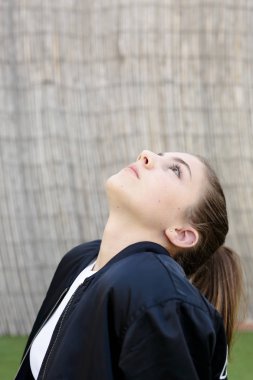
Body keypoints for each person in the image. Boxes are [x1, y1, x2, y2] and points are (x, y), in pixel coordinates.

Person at [15, 150, 243, 380]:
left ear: (182, 234)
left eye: (176, 170)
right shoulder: (79, 260)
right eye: (159, 154)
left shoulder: (159, 297)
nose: (146, 154)